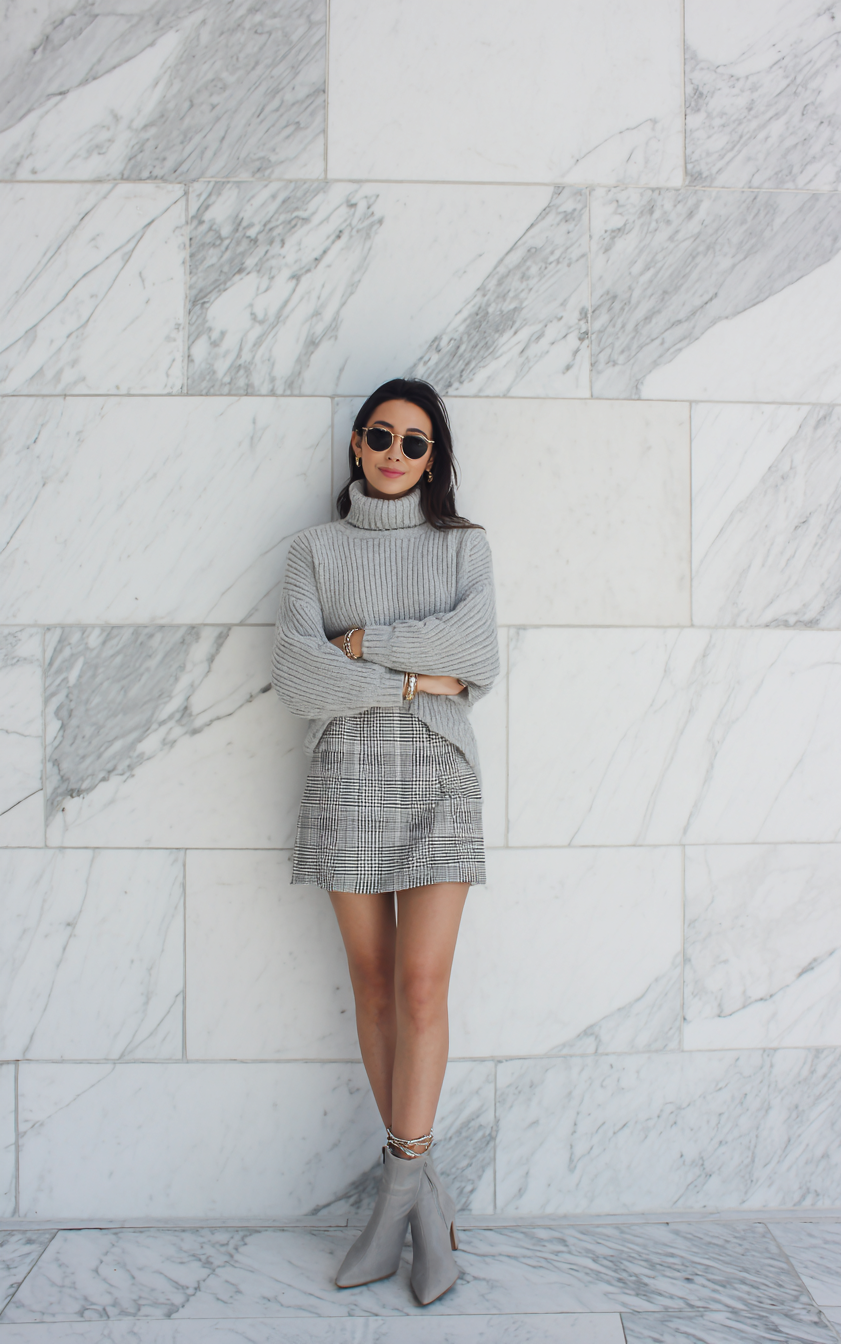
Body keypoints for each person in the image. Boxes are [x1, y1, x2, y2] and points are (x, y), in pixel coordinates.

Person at [271, 377, 499, 1305]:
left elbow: (478, 658)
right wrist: (411, 679)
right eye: (380, 436)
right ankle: (421, 1208)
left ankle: (393, 1202)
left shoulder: (465, 549)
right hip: (346, 780)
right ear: (357, 447)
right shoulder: (315, 551)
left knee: (420, 984)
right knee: (370, 983)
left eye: (414, 443)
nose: (395, 454)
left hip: (439, 782)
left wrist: (360, 644)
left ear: (435, 456)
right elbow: (298, 675)